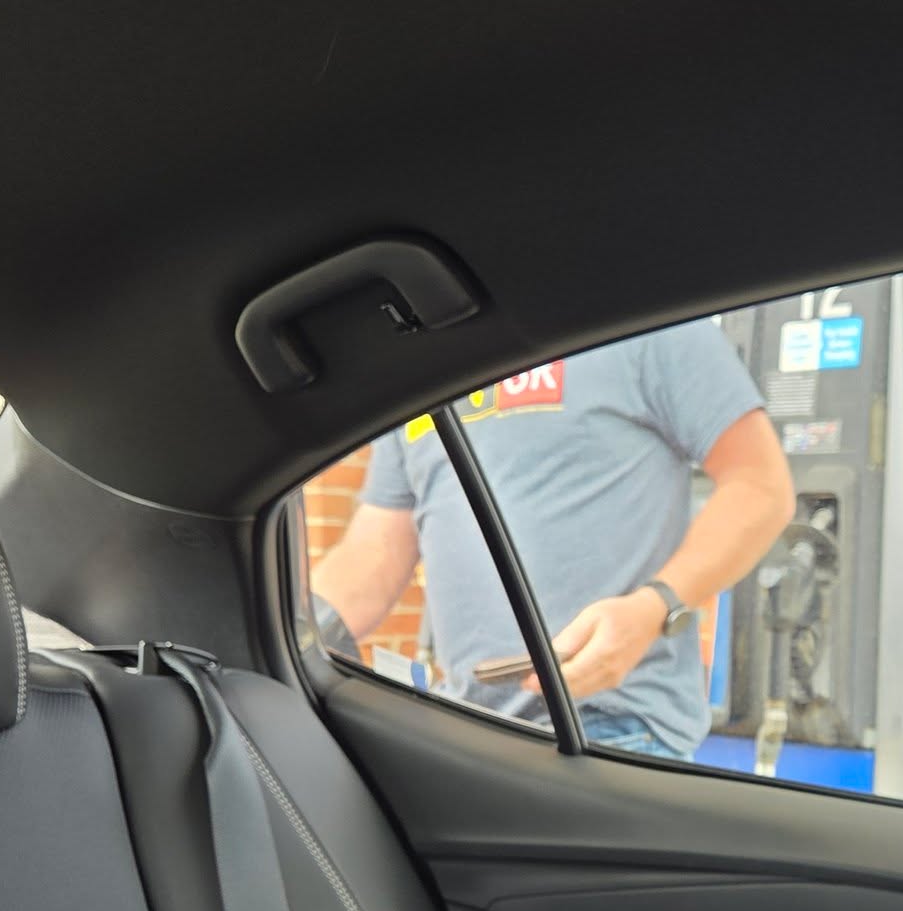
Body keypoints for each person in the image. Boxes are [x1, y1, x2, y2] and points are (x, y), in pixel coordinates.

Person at [310, 320, 795, 758]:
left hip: (614, 732)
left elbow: (760, 488)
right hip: (466, 728)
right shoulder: (427, 365)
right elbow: (376, 550)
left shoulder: (649, 320)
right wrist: (292, 624)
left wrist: (654, 607)